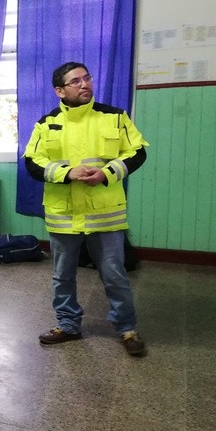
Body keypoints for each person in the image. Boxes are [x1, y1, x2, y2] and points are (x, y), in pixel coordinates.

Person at [24, 62, 148, 356]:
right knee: (63, 275)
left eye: (87, 78)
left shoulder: (114, 117)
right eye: (76, 81)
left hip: (105, 213)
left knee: (114, 274)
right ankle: (68, 325)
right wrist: (67, 173)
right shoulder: (46, 123)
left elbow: (137, 152)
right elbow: (32, 162)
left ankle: (127, 328)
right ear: (60, 90)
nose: (85, 84)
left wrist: (106, 173)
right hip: (63, 214)